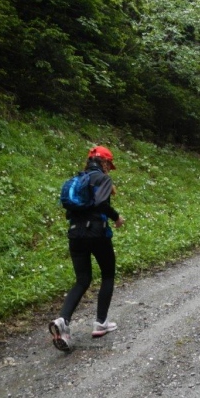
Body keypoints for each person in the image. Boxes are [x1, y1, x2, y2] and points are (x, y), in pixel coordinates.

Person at [49, 146, 125, 351]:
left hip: (75, 234)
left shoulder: (77, 180)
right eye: (109, 164)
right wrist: (116, 217)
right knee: (108, 275)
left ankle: (63, 320)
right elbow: (100, 204)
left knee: (82, 280)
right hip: (97, 234)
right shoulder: (102, 179)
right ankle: (101, 323)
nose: (109, 168)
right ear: (104, 162)